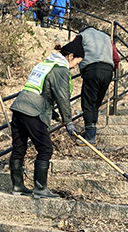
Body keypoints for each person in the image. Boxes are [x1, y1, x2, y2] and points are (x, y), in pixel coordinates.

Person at [9, 37, 84, 199]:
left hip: (19, 107)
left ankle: (17, 186)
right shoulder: (60, 69)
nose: (76, 65)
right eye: (77, 61)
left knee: (19, 148)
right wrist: (68, 121)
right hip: (33, 111)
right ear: (70, 56)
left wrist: (54, 114)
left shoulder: (44, 64)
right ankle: (40, 189)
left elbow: (40, 90)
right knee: (45, 148)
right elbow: (62, 98)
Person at [76, 27, 120, 144]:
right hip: (107, 71)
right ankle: (91, 130)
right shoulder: (106, 37)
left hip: (92, 69)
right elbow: (116, 58)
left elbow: (72, 50)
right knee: (96, 102)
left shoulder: (82, 35)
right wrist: (111, 69)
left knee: (88, 102)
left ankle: (90, 137)